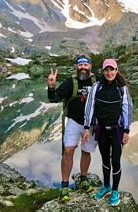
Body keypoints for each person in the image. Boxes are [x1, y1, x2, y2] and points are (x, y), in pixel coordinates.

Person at [47, 54, 99, 203]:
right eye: (80, 65)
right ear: (76, 67)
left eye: (86, 64)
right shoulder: (71, 82)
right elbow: (53, 98)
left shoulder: (97, 80)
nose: (83, 67)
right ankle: (64, 185)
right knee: (68, 150)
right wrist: (51, 86)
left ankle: (83, 178)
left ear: (90, 66)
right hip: (74, 122)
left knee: (86, 151)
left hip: (92, 123)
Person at [83, 58, 133, 207]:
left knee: (115, 161)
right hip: (101, 129)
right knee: (105, 160)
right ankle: (106, 187)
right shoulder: (96, 87)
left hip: (117, 130)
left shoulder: (122, 88)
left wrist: (126, 130)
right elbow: (90, 107)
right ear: (103, 71)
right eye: (106, 70)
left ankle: (115, 190)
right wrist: (86, 127)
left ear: (116, 71)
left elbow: (127, 109)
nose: (109, 72)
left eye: (112, 69)